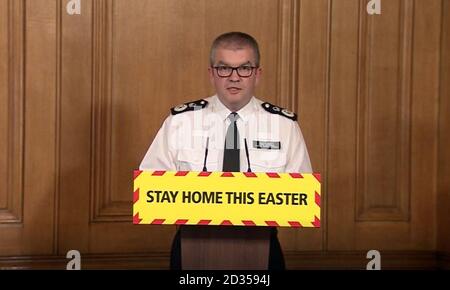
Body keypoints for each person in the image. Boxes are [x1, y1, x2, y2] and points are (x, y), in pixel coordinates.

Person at [139, 31, 312, 270]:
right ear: (212, 74)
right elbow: (151, 189)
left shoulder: (284, 126)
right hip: (191, 245)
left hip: (262, 248)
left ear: (257, 74)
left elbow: (302, 196)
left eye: (244, 68)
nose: (234, 77)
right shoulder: (180, 122)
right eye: (224, 69)